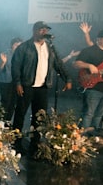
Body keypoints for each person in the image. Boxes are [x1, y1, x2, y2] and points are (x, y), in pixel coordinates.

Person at [10, 20, 74, 156]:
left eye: (46, 29)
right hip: (27, 86)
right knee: (20, 114)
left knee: (39, 117)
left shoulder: (50, 48)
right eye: (41, 29)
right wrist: (18, 83)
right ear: (34, 31)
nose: (44, 32)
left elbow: (58, 64)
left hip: (42, 87)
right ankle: (15, 142)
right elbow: (15, 66)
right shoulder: (24, 47)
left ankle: (35, 143)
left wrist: (67, 78)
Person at [0, 37, 23, 123]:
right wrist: (3, 62)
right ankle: (1, 122)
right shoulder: (5, 54)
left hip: (16, 83)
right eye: (16, 45)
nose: (18, 47)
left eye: (20, 45)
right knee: (5, 103)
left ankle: (8, 122)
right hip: (6, 81)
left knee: (13, 103)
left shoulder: (22, 55)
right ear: (12, 45)